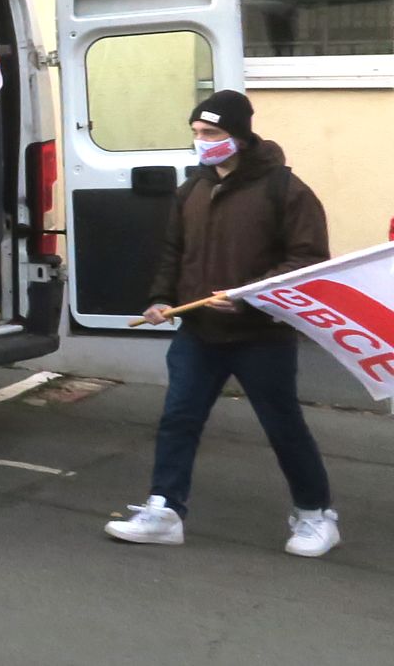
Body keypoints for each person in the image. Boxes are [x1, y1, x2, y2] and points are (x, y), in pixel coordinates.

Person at [104, 90, 339, 558]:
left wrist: (248, 298)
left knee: (283, 425)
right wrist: (159, 299)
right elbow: (174, 252)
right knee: (178, 420)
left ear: (239, 135)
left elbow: (307, 261)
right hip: (199, 335)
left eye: (211, 133)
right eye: (195, 133)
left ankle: (316, 515)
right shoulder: (192, 189)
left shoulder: (285, 190)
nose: (201, 142)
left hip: (261, 336)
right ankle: (165, 511)